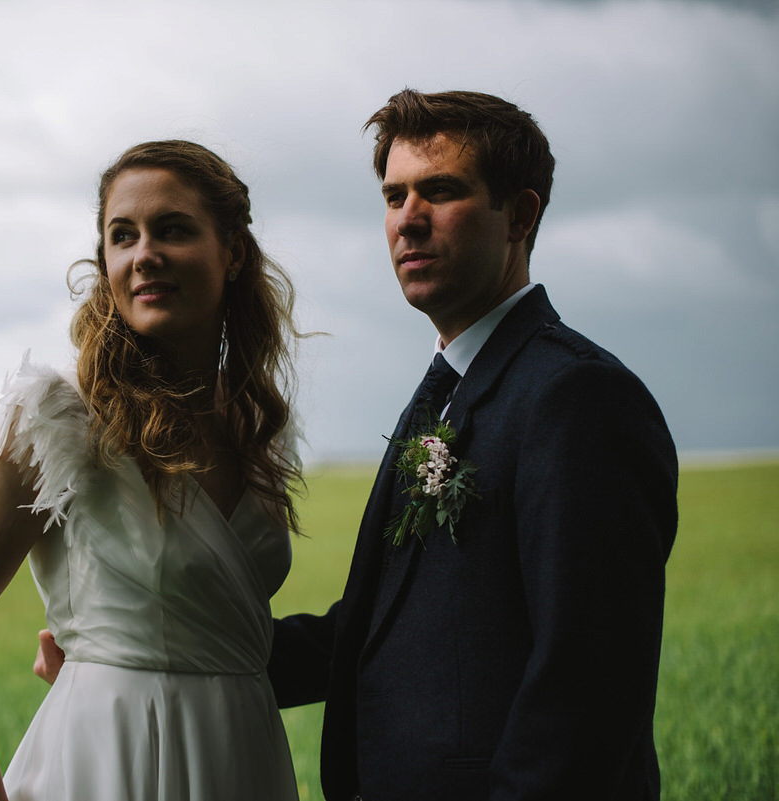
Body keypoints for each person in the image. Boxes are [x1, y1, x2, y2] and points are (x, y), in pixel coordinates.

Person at [265, 89, 679, 800]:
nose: (408, 220)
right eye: (394, 196)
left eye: (441, 191)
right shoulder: (447, 391)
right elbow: (374, 631)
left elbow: (587, 686)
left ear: (520, 215)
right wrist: (167, 652)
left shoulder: (577, 399)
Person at [0, 140, 304, 801]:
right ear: (105, 263)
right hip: (107, 763)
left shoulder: (257, 429)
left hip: (244, 759)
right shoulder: (58, 420)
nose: (144, 253)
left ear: (232, 252)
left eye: (172, 229)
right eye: (124, 235)